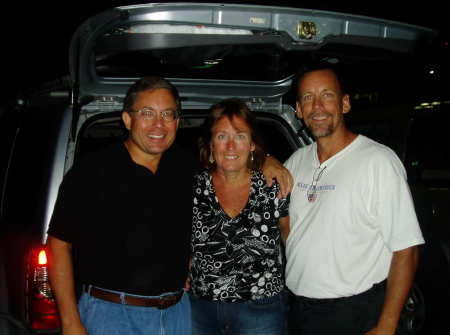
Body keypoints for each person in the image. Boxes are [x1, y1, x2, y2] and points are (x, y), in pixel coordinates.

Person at [47, 77, 292, 335]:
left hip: (178, 313)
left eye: (167, 114)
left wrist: (268, 161)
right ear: (128, 119)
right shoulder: (91, 170)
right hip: (112, 315)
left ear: (177, 122)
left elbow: (232, 161)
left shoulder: (188, 169)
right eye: (147, 113)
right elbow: (58, 244)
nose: (158, 124)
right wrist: (70, 321)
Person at [283, 64, 424, 335]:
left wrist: (386, 325)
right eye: (307, 98)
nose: (317, 106)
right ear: (298, 111)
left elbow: (407, 250)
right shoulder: (295, 161)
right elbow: (288, 225)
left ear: (344, 103)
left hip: (356, 312)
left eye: (327, 95)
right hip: (301, 310)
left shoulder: (377, 161)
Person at [189, 98, 290, 335]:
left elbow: (291, 238)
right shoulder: (193, 187)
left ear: (252, 144)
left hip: (262, 310)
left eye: (240, 136)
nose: (231, 146)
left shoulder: (272, 186)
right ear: (211, 144)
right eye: (222, 136)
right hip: (201, 310)